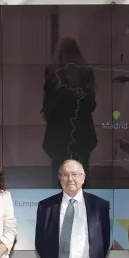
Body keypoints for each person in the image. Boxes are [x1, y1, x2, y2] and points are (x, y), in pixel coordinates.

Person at [41, 38, 97, 187]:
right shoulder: (55, 74)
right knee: (74, 170)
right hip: (69, 132)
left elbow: (48, 106)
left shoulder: (55, 74)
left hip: (69, 131)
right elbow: (91, 104)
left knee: (66, 171)